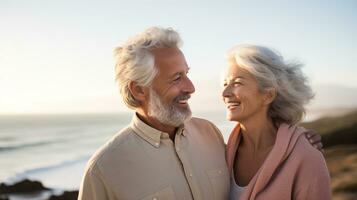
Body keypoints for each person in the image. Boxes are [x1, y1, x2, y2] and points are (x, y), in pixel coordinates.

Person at [78, 27, 323, 200]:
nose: (191, 87)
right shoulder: (104, 170)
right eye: (177, 78)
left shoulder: (211, 135)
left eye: (187, 74)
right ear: (139, 90)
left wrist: (298, 142)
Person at [223, 44, 331, 200]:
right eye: (225, 84)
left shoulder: (306, 157)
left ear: (268, 95)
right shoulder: (219, 152)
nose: (225, 93)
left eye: (237, 83)